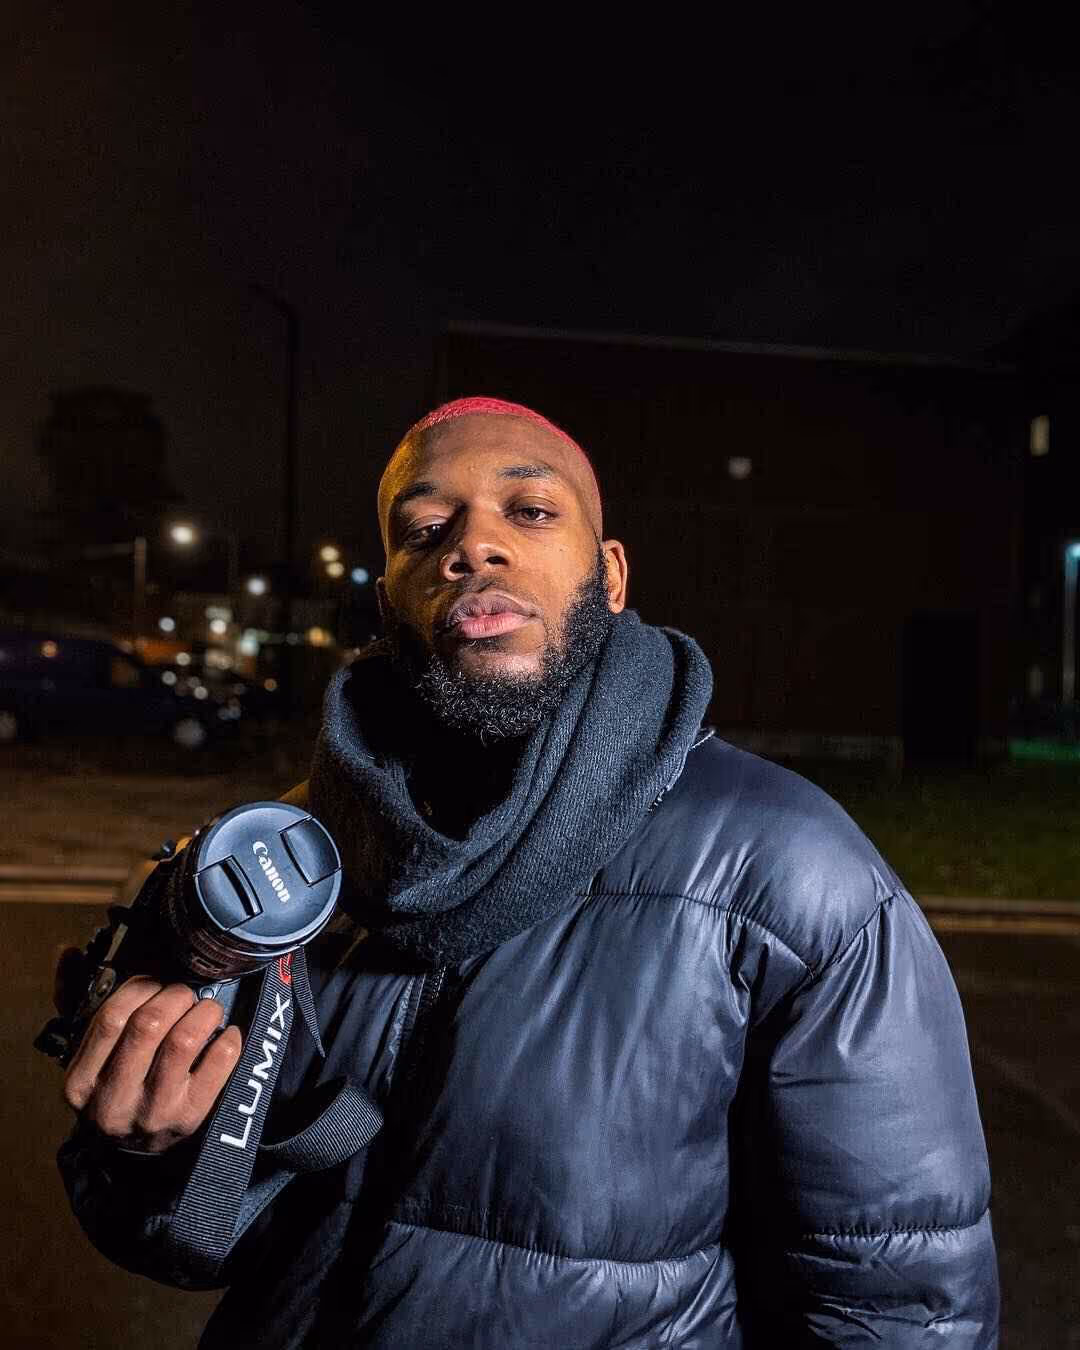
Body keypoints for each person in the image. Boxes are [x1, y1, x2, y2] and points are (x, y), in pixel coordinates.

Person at [58, 396, 1000, 1347]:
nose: (473, 547)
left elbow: (902, 1311)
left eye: (532, 511)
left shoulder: (789, 873)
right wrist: (156, 1156)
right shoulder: (292, 860)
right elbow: (201, 1243)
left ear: (613, 575)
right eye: (425, 529)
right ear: (389, 598)